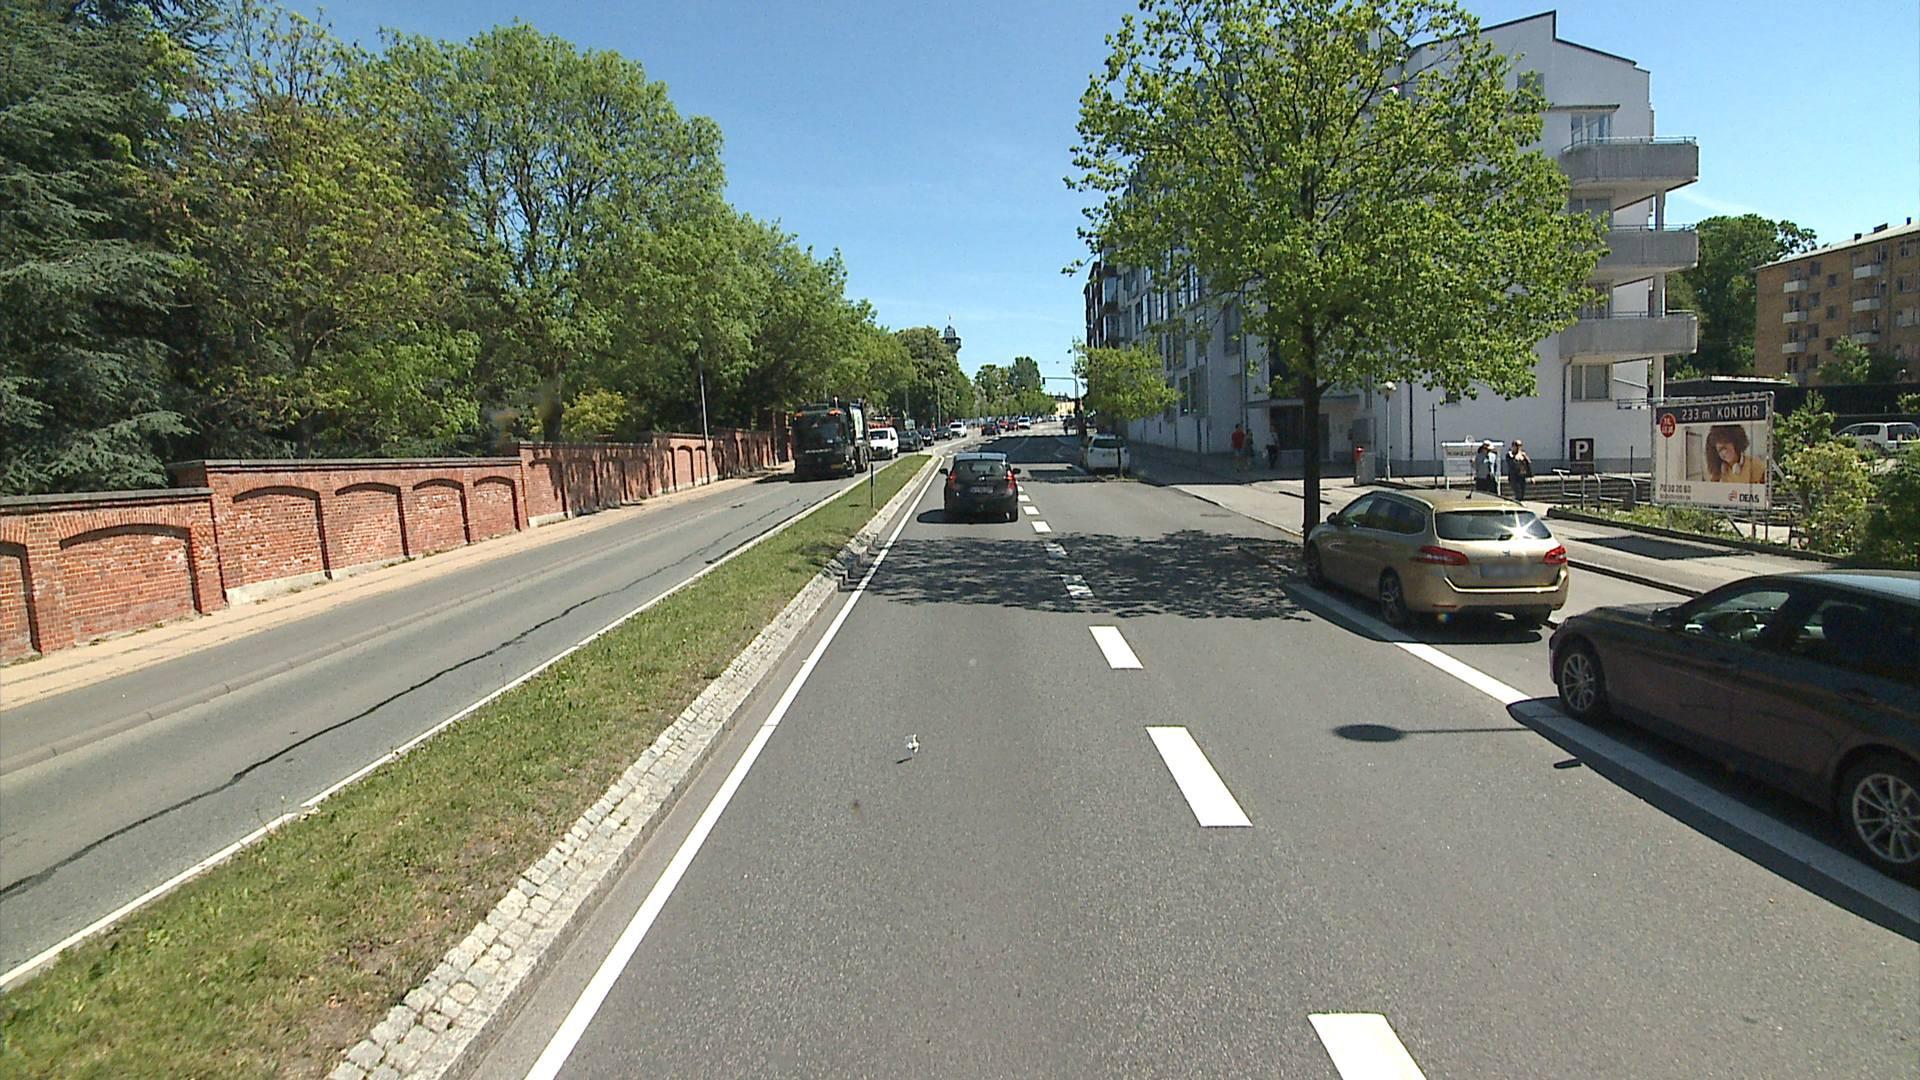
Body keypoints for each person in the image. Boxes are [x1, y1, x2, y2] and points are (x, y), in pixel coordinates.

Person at [1704, 424, 1768, 483]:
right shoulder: (1718, 473)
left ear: (1735, 443)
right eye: (1720, 450)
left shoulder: (1755, 465)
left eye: (1726, 446)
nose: (1724, 452)